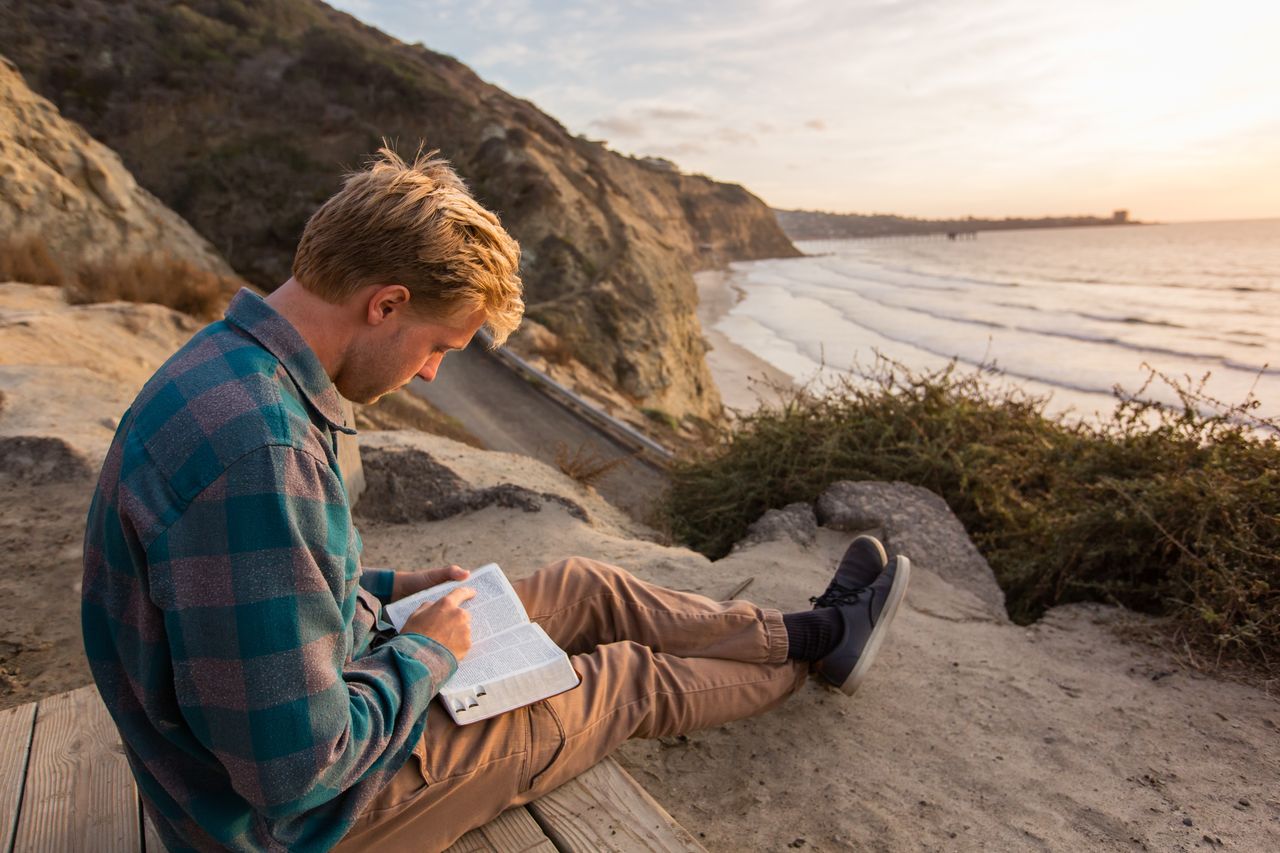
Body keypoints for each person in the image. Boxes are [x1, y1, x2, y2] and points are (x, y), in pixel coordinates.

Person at [81, 147, 910, 853]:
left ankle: (804, 632)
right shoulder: (261, 453)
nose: (436, 371)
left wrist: (389, 591)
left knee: (590, 586)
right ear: (387, 302)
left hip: (307, 699)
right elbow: (298, 772)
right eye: (441, 346)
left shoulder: (229, 367)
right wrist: (429, 651)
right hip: (291, 822)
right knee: (618, 679)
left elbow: (233, 595)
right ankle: (817, 656)